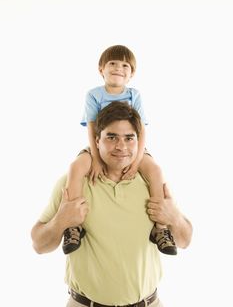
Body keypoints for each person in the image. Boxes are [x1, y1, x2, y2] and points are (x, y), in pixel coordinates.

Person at [31, 101, 193, 307]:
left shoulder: (152, 184)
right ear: (96, 141)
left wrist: (174, 218)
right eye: (111, 137)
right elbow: (38, 245)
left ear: (139, 142)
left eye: (129, 138)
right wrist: (60, 221)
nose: (121, 146)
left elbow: (185, 241)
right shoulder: (71, 184)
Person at [63, 45, 177, 256]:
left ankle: (160, 230)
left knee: (155, 170)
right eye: (112, 63)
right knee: (76, 167)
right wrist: (95, 159)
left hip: (134, 148)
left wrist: (136, 161)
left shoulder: (134, 95)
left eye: (125, 65)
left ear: (131, 73)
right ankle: (73, 226)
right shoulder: (94, 95)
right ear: (101, 69)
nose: (118, 68)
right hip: (100, 146)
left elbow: (141, 130)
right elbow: (91, 128)